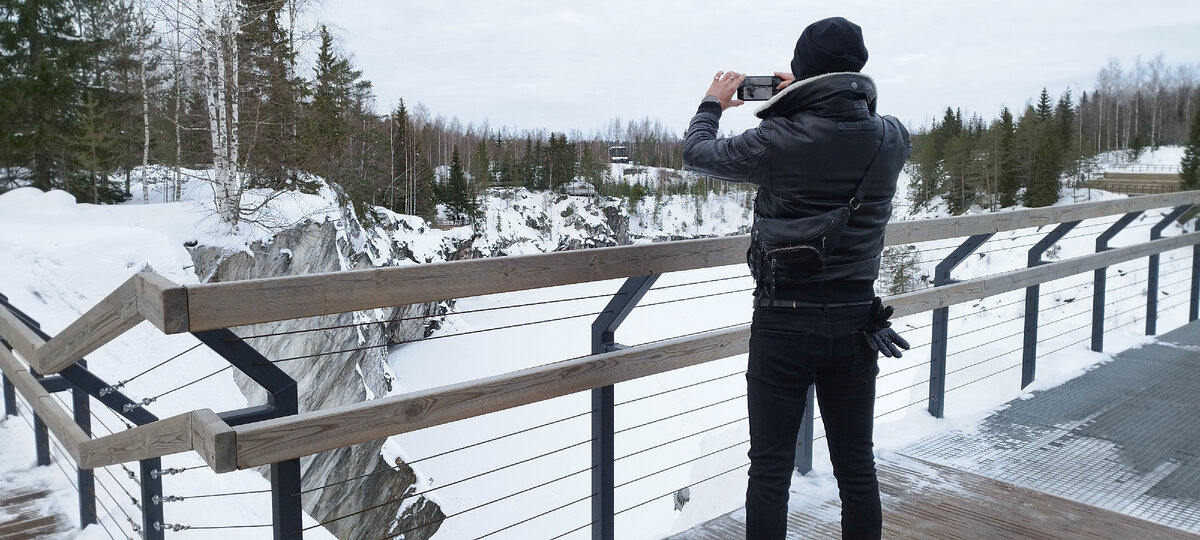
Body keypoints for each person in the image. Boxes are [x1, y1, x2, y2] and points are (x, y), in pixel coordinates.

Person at [681, 17, 911, 540]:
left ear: (804, 69)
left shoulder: (776, 138)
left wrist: (712, 102)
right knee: (856, 467)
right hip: (857, 323)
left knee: (769, 471)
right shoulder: (892, 137)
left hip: (783, 321)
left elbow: (697, 154)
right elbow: (861, 120)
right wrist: (817, 93)